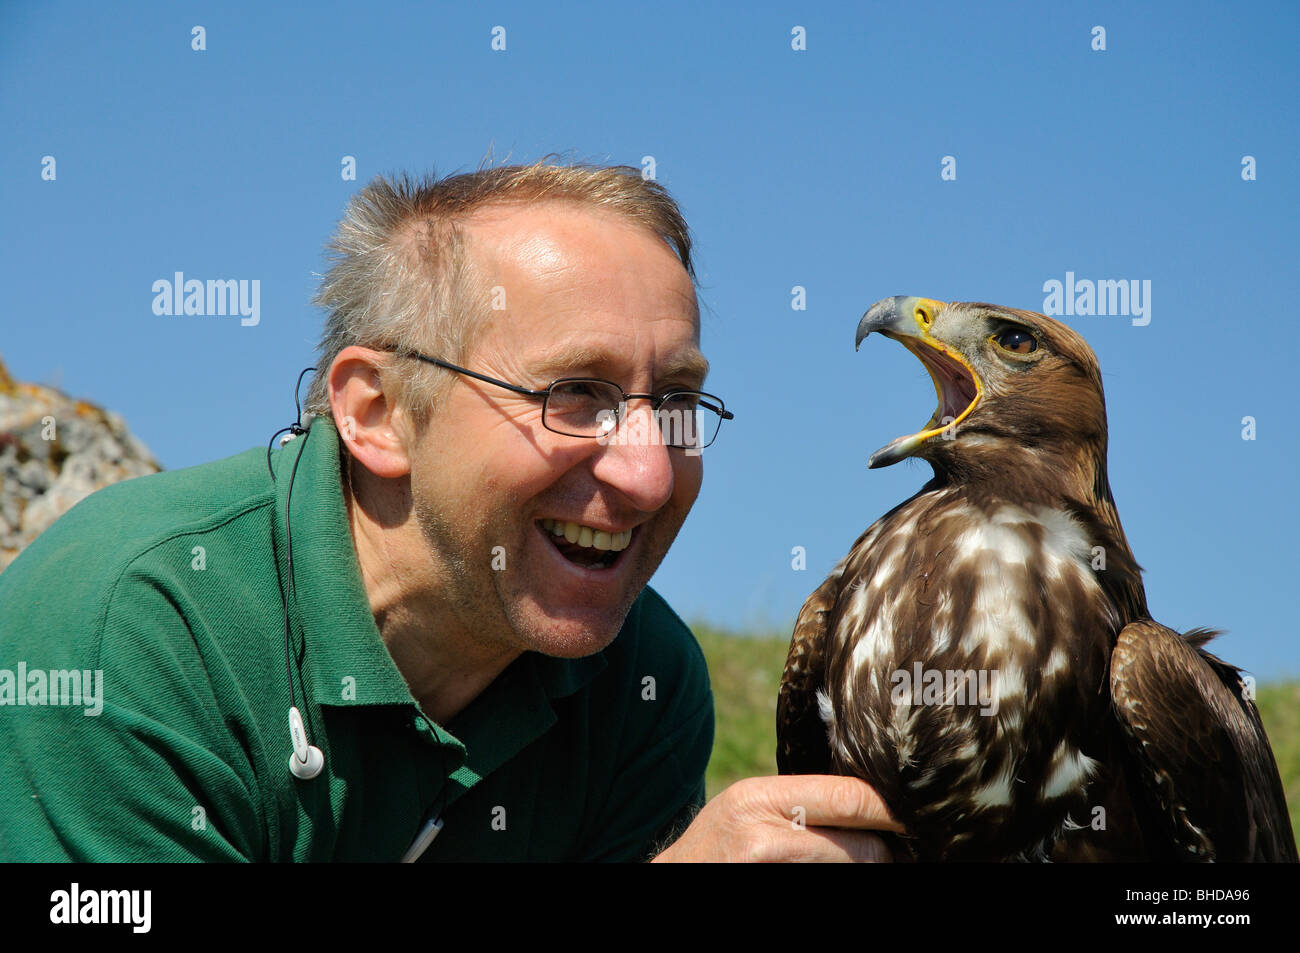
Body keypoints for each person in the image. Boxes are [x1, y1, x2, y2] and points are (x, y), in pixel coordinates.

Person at [0, 160, 899, 861]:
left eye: (674, 401)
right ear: (377, 413)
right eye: (575, 392)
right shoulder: (135, 627)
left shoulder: (641, 680)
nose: (651, 475)